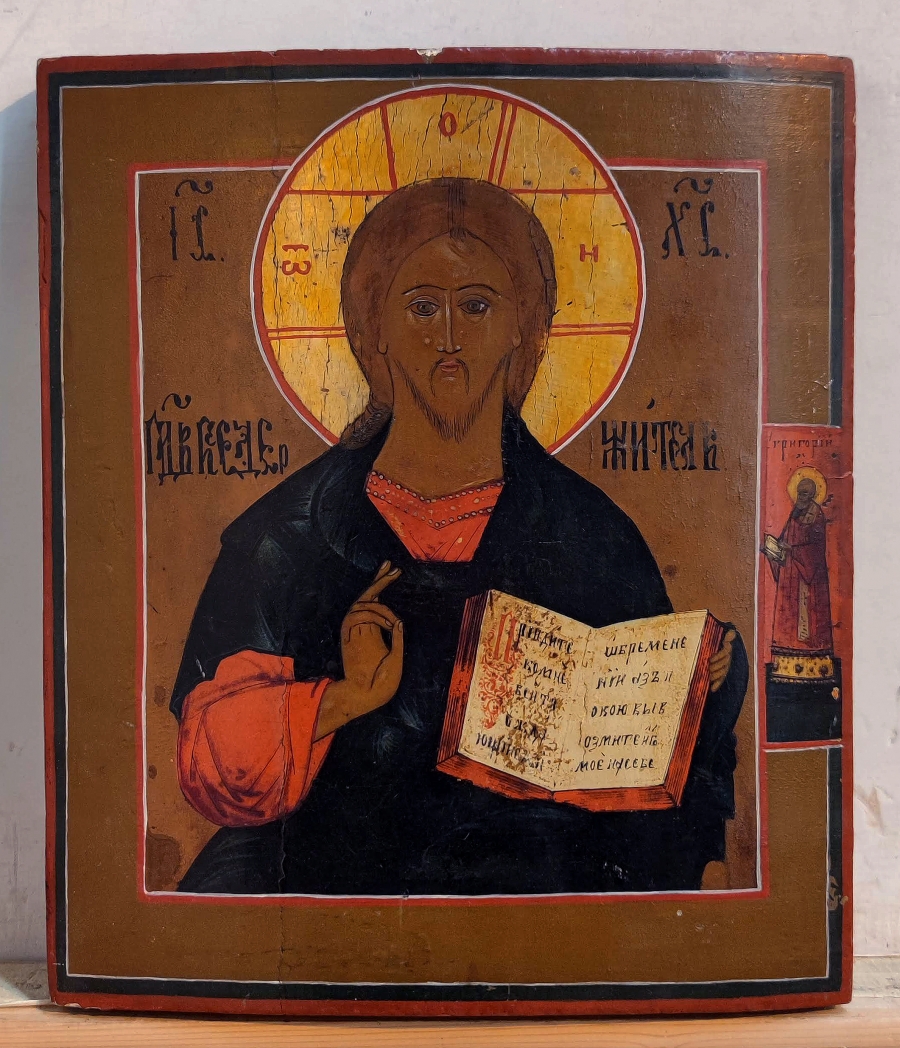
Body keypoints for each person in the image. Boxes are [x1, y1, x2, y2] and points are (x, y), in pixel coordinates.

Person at [171, 177, 747, 895]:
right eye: (421, 306)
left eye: (476, 306)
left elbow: (655, 770)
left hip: (540, 897)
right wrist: (345, 698)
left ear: (523, 327)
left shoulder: (591, 535)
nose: (448, 337)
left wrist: (697, 683)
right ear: (373, 328)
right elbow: (209, 762)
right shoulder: (285, 537)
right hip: (335, 895)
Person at [767, 477, 834, 655]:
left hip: (807, 577)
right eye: (799, 493)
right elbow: (786, 536)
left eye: (804, 494)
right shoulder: (795, 512)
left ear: (812, 495)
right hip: (790, 575)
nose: (800, 497)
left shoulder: (816, 515)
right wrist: (774, 550)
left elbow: (816, 549)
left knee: (806, 621)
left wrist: (793, 550)